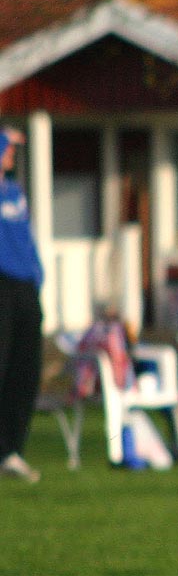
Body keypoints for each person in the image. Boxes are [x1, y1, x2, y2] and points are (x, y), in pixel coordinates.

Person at [0, 127, 44, 484]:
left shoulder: (14, 190)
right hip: (1, 285)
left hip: (25, 286)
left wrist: (37, 273)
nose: (12, 154)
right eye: (8, 147)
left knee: (25, 370)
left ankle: (11, 451)